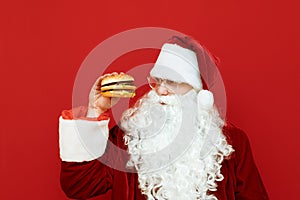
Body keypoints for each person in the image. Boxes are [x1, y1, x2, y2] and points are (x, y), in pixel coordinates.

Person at [59, 36, 269, 200]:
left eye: (173, 82)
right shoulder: (128, 137)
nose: (161, 91)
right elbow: (79, 186)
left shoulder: (232, 142)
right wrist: (94, 110)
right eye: (157, 80)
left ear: (198, 92)